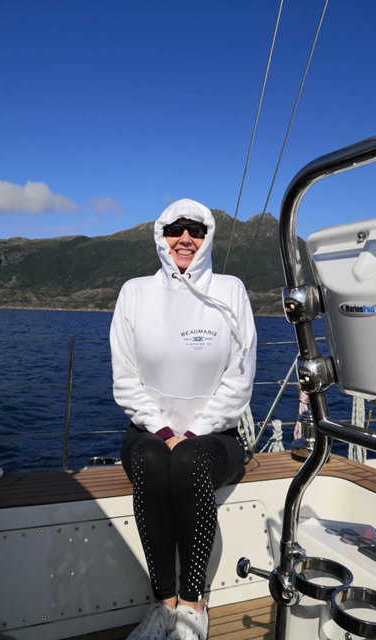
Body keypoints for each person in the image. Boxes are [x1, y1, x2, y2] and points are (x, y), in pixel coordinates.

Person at [110, 198, 256, 640]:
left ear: (208, 236)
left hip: (217, 437)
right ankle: (163, 605)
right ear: (161, 235)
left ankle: (193, 607)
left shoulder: (231, 290)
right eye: (175, 229)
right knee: (155, 461)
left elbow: (241, 375)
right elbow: (125, 378)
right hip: (148, 433)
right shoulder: (135, 293)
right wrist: (166, 430)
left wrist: (192, 432)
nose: (185, 238)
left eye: (195, 229)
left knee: (189, 459)